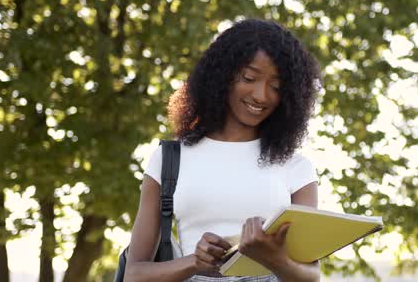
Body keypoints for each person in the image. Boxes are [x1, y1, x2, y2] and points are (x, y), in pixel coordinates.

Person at [124, 19, 322, 282]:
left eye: (276, 87)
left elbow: (311, 277)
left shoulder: (296, 167)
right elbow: (134, 275)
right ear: (223, 76)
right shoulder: (170, 159)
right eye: (249, 78)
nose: (261, 96)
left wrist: (273, 258)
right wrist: (194, 262)